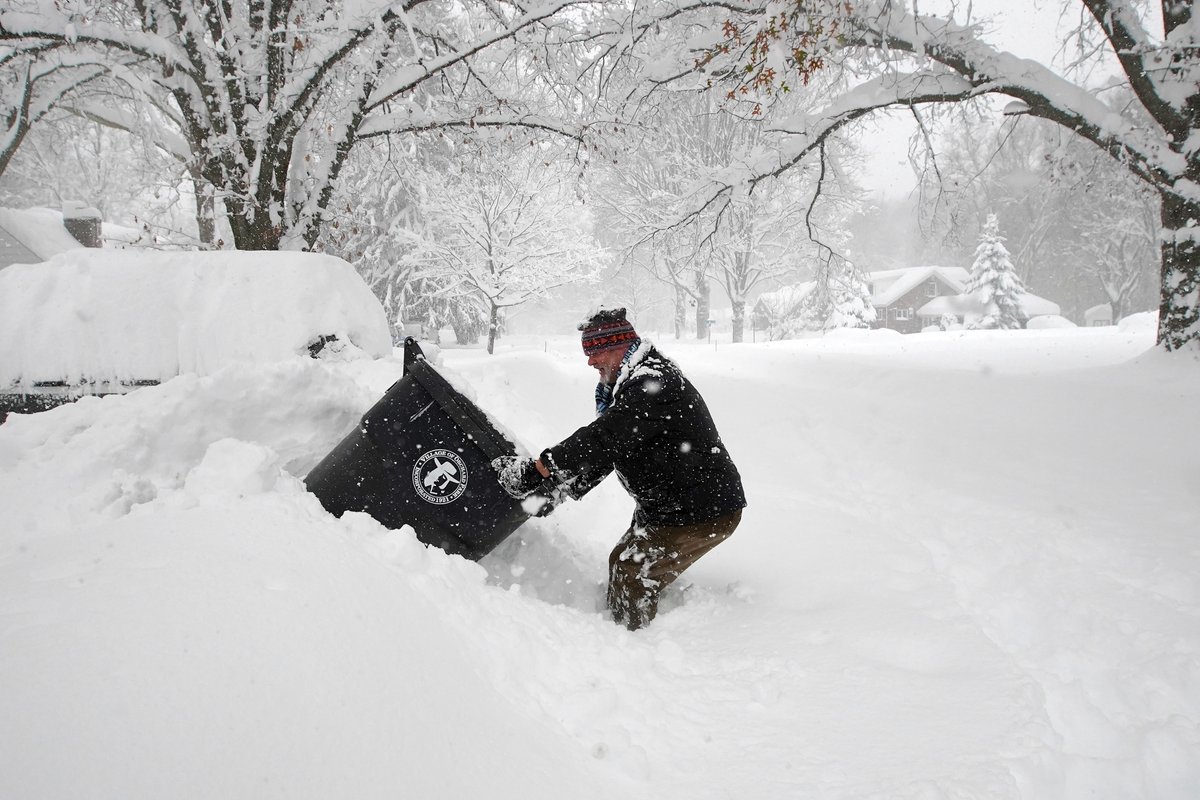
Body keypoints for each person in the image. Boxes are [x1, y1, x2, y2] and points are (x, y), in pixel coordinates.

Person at [493, 308, 746, 630]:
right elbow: (613, 448)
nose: (590, 362)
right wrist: (559, 487)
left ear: (619, 346)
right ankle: (621, 626)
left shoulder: (654, 383)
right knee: (623, 561)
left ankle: (632, 644)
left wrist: (538, 470)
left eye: (594, 352)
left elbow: (604, 437)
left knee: (633, 573)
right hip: (669, 503)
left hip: (700, 508)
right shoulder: (632, 382)